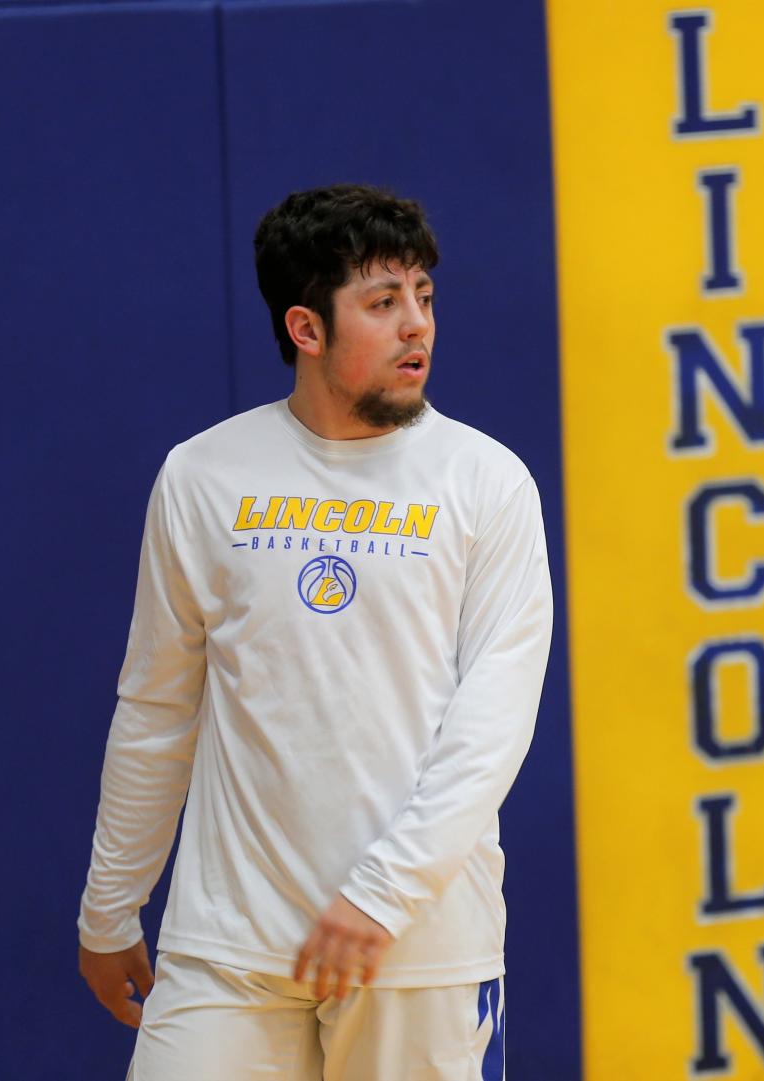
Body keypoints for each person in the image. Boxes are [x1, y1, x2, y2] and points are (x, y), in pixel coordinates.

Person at [77, 184, 553, 1080]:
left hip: (415, 949)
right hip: (229, 947)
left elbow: (490, 730)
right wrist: (110, 905)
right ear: (306, 328)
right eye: (383, 303)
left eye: (424, 296)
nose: (418, 325)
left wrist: (380, 896)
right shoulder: (203, 476)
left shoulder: (489, 483)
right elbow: (154, 713)